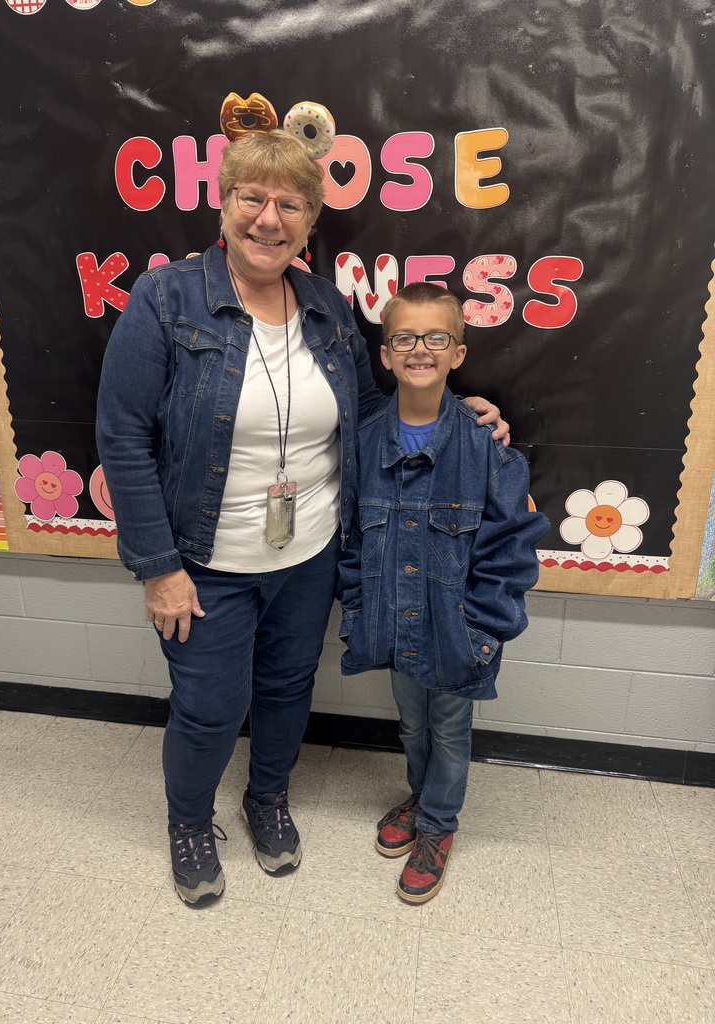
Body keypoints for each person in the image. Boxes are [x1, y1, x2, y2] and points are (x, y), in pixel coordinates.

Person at [96, 127, 509, 909]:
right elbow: (122, 437)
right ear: (223, 204)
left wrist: (453, 415)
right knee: (211, 705)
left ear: (312, 221)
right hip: (203, 559)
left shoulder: (321, 305)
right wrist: (157, 567)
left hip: (310, 551)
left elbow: (370, 414)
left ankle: (267, 799)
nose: (269, 218)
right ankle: (189, 822)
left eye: (291, 203)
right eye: (252, 197)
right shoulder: (165, 299)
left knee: (287, 689)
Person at [337, 282, 550, 904]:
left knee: (451, 728)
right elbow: (349, 537)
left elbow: (510, 551)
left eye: (436, 338)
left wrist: (484, 634)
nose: (419, 350)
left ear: (457, 352)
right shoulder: (365, 437)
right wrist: (356, 612)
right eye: (404, 338)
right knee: (411, 724)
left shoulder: (486, 444)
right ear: (385, 354)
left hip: (460, 630)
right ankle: (421, 794)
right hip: (391, 622)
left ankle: (438, 823)